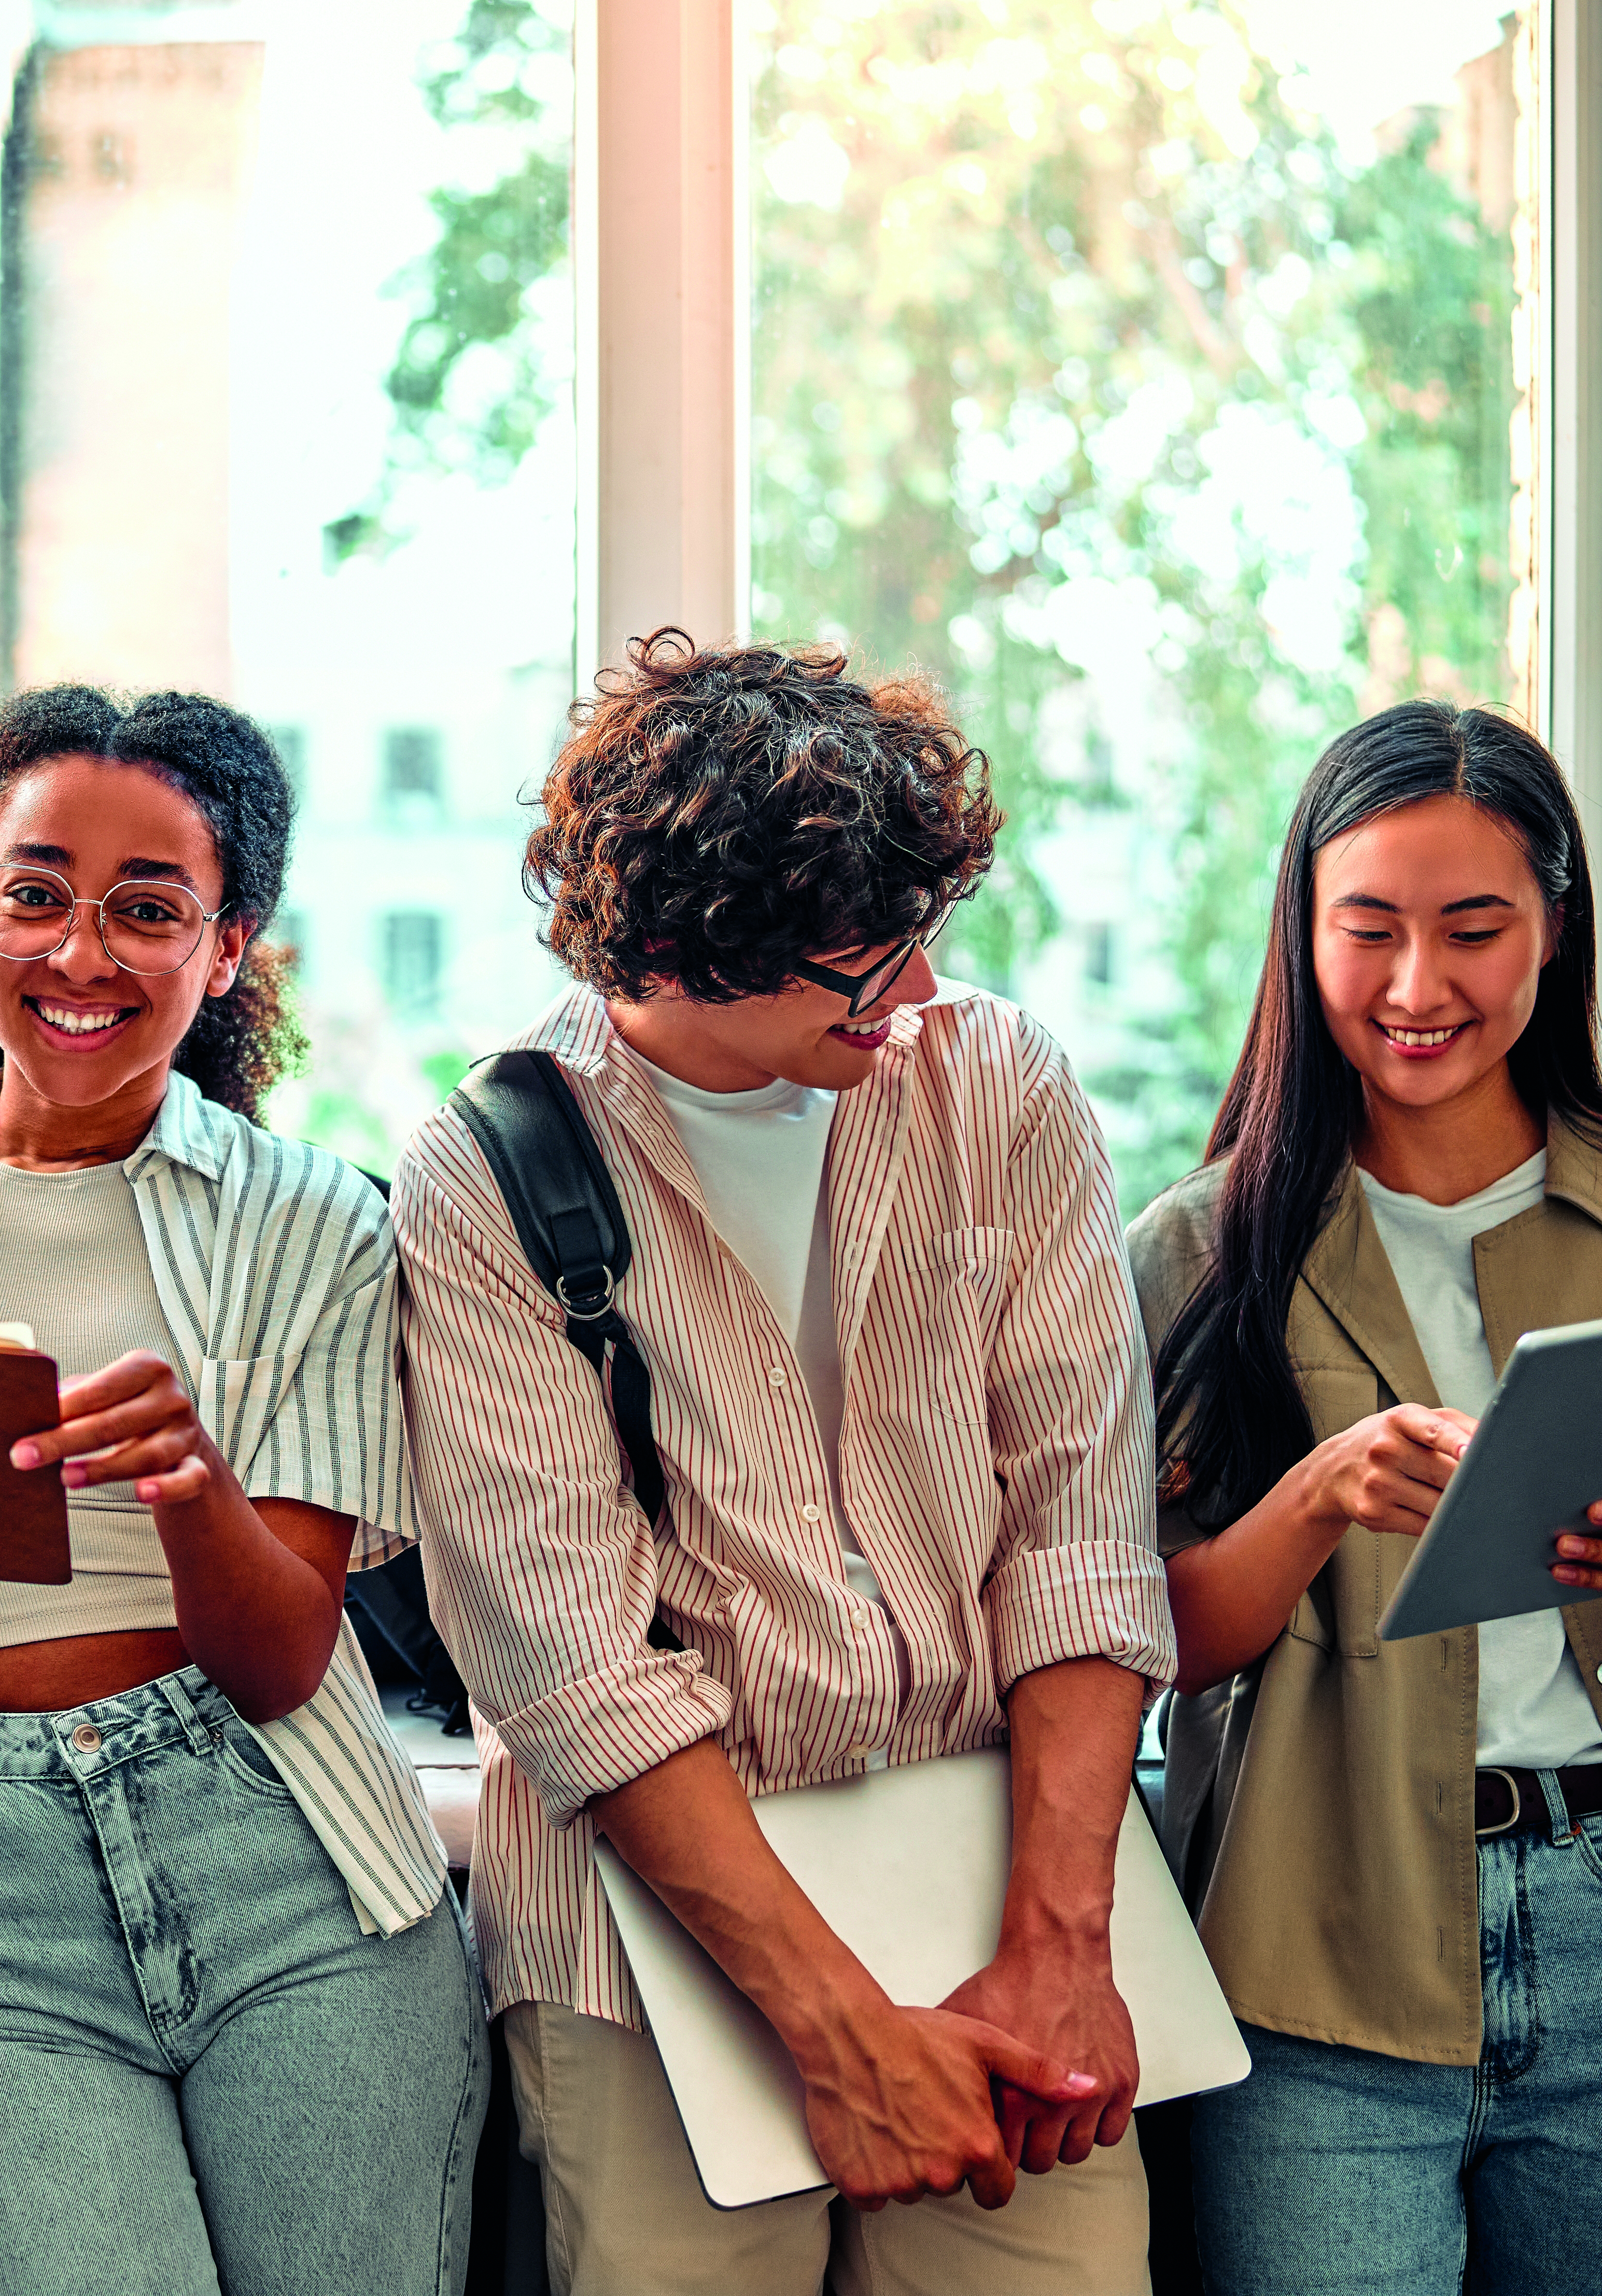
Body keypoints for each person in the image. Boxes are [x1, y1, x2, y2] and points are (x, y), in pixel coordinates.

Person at [394, 632, 1176, 2294]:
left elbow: (1082, 1536)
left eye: (918, 938)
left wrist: (1059, 1946)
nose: (910, 993)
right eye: (860, 963)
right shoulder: (488, 1174)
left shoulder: (1002, 1083)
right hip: (652, 1949)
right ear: (680, 952)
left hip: (997, 1895)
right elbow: (573, 1667)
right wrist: (832, 2032)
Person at [0, 687, 487, 2296]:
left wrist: (194, 1480)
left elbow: (282, 1666)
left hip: (295, 1878)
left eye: (150, 911)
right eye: (36, 893)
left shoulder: (315, 1223)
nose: (80, 956)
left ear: (227, 948)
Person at [1130, 698, 1602, 2296]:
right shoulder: (1198, 1252)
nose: (1418, 987)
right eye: (1368, 929)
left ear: (1555, 928)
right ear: (1301, 936)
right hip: (1311, 1938)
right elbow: (1151, 1645)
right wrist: (1322, 1492)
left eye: (1475, 929)